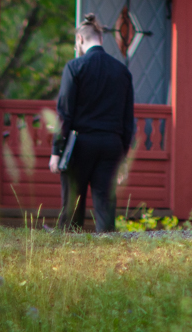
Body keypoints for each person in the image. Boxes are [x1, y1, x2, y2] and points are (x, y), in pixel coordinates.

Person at [48, 12, 135, 233]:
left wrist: (57, 151)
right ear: (101, 38)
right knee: (105, 206)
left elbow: (64, 113)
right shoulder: (122, 72)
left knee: (72, 205)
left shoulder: (74, 68)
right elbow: (127, 120)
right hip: (111, 145)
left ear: (79, 39)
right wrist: (123, 156)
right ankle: (106, 245)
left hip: (80, 144)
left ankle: (70, 243)